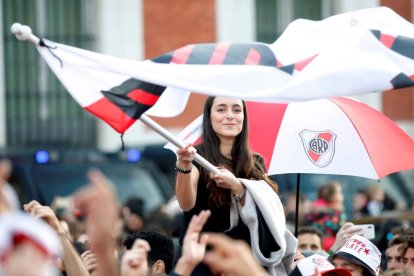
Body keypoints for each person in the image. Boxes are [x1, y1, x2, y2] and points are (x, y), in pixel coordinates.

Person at [175, 96, 296, 275]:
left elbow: (268, 213)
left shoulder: (255, 162)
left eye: (237, 110)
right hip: (202, 258)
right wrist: (184, 166)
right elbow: (186, 204)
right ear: (209, 118)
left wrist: (239, 187)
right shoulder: (196, 157)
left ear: (244, 118)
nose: (230, 115)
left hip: (243, 262)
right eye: (221, 109)